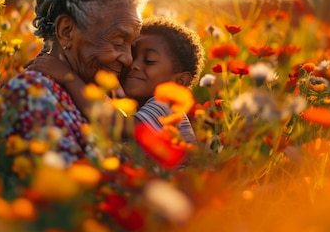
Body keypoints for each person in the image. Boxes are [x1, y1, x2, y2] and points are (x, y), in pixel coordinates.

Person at [0, 0, 148, 166]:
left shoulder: (94, 97)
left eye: (131, 46)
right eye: (117, 41)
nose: (128, 59)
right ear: (67, 31)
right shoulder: (31, 91)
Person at [30, 16, 205, 145]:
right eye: (133, 55)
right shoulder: (135, 105)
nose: (133, 64)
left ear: (180, 81)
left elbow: (117, 127)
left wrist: (67, 77)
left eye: (149, 60)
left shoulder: (167, 106)